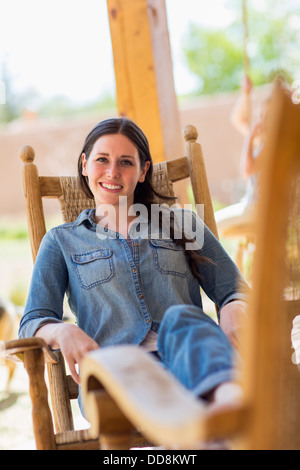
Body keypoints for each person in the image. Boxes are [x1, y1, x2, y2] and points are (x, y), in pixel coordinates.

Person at [18, 117, 249, 410]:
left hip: (192, 363)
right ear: (84, 165)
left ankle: (230, 408)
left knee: (183, 319)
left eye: (126, 162)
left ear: (143, 171)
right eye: (102, 160)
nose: (112, 172)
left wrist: (232, 308)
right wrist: (63, 331)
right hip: (114, 374)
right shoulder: (61, 241)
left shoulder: (183, 223)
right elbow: (32, 322)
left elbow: (234, 289)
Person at [215, 76, 267, 236]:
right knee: (226, 231)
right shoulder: (263, 139)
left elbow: (247, 171)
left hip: (257, 207)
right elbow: (238, 119)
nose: (261, 120)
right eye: (261, 115)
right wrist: (245, 93)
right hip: (251, 204)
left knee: (211, 225)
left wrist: (250, 137)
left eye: (265, 116)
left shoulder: (270, 143)